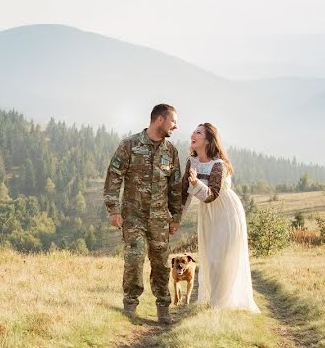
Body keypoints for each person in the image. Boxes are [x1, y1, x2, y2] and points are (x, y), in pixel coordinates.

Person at [104, 103, 184, 324]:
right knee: (135, 257)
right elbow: (114, 176)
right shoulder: (129, 145)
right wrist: (113, 210)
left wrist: (175, 217)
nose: (176, 126)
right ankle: (130, 304)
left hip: (159, 218)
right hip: (133, 216)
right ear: (159, 119)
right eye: (173, 121)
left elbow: (175, 187)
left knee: (161, 263)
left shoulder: (171, 152)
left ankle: (163, 308)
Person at [185, 123, 260, 313]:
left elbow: (212, 195)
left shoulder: (219, 165)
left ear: (209, 140)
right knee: (210, 259)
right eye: (194, 131)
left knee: (220, 258)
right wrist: (176, 219)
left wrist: (195, 184)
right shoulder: (191, 162)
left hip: (226, 212)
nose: (193, 134)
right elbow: (184, 193)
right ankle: (216, 301)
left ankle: (217, 305)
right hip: (207, 214)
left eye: (199, 132)